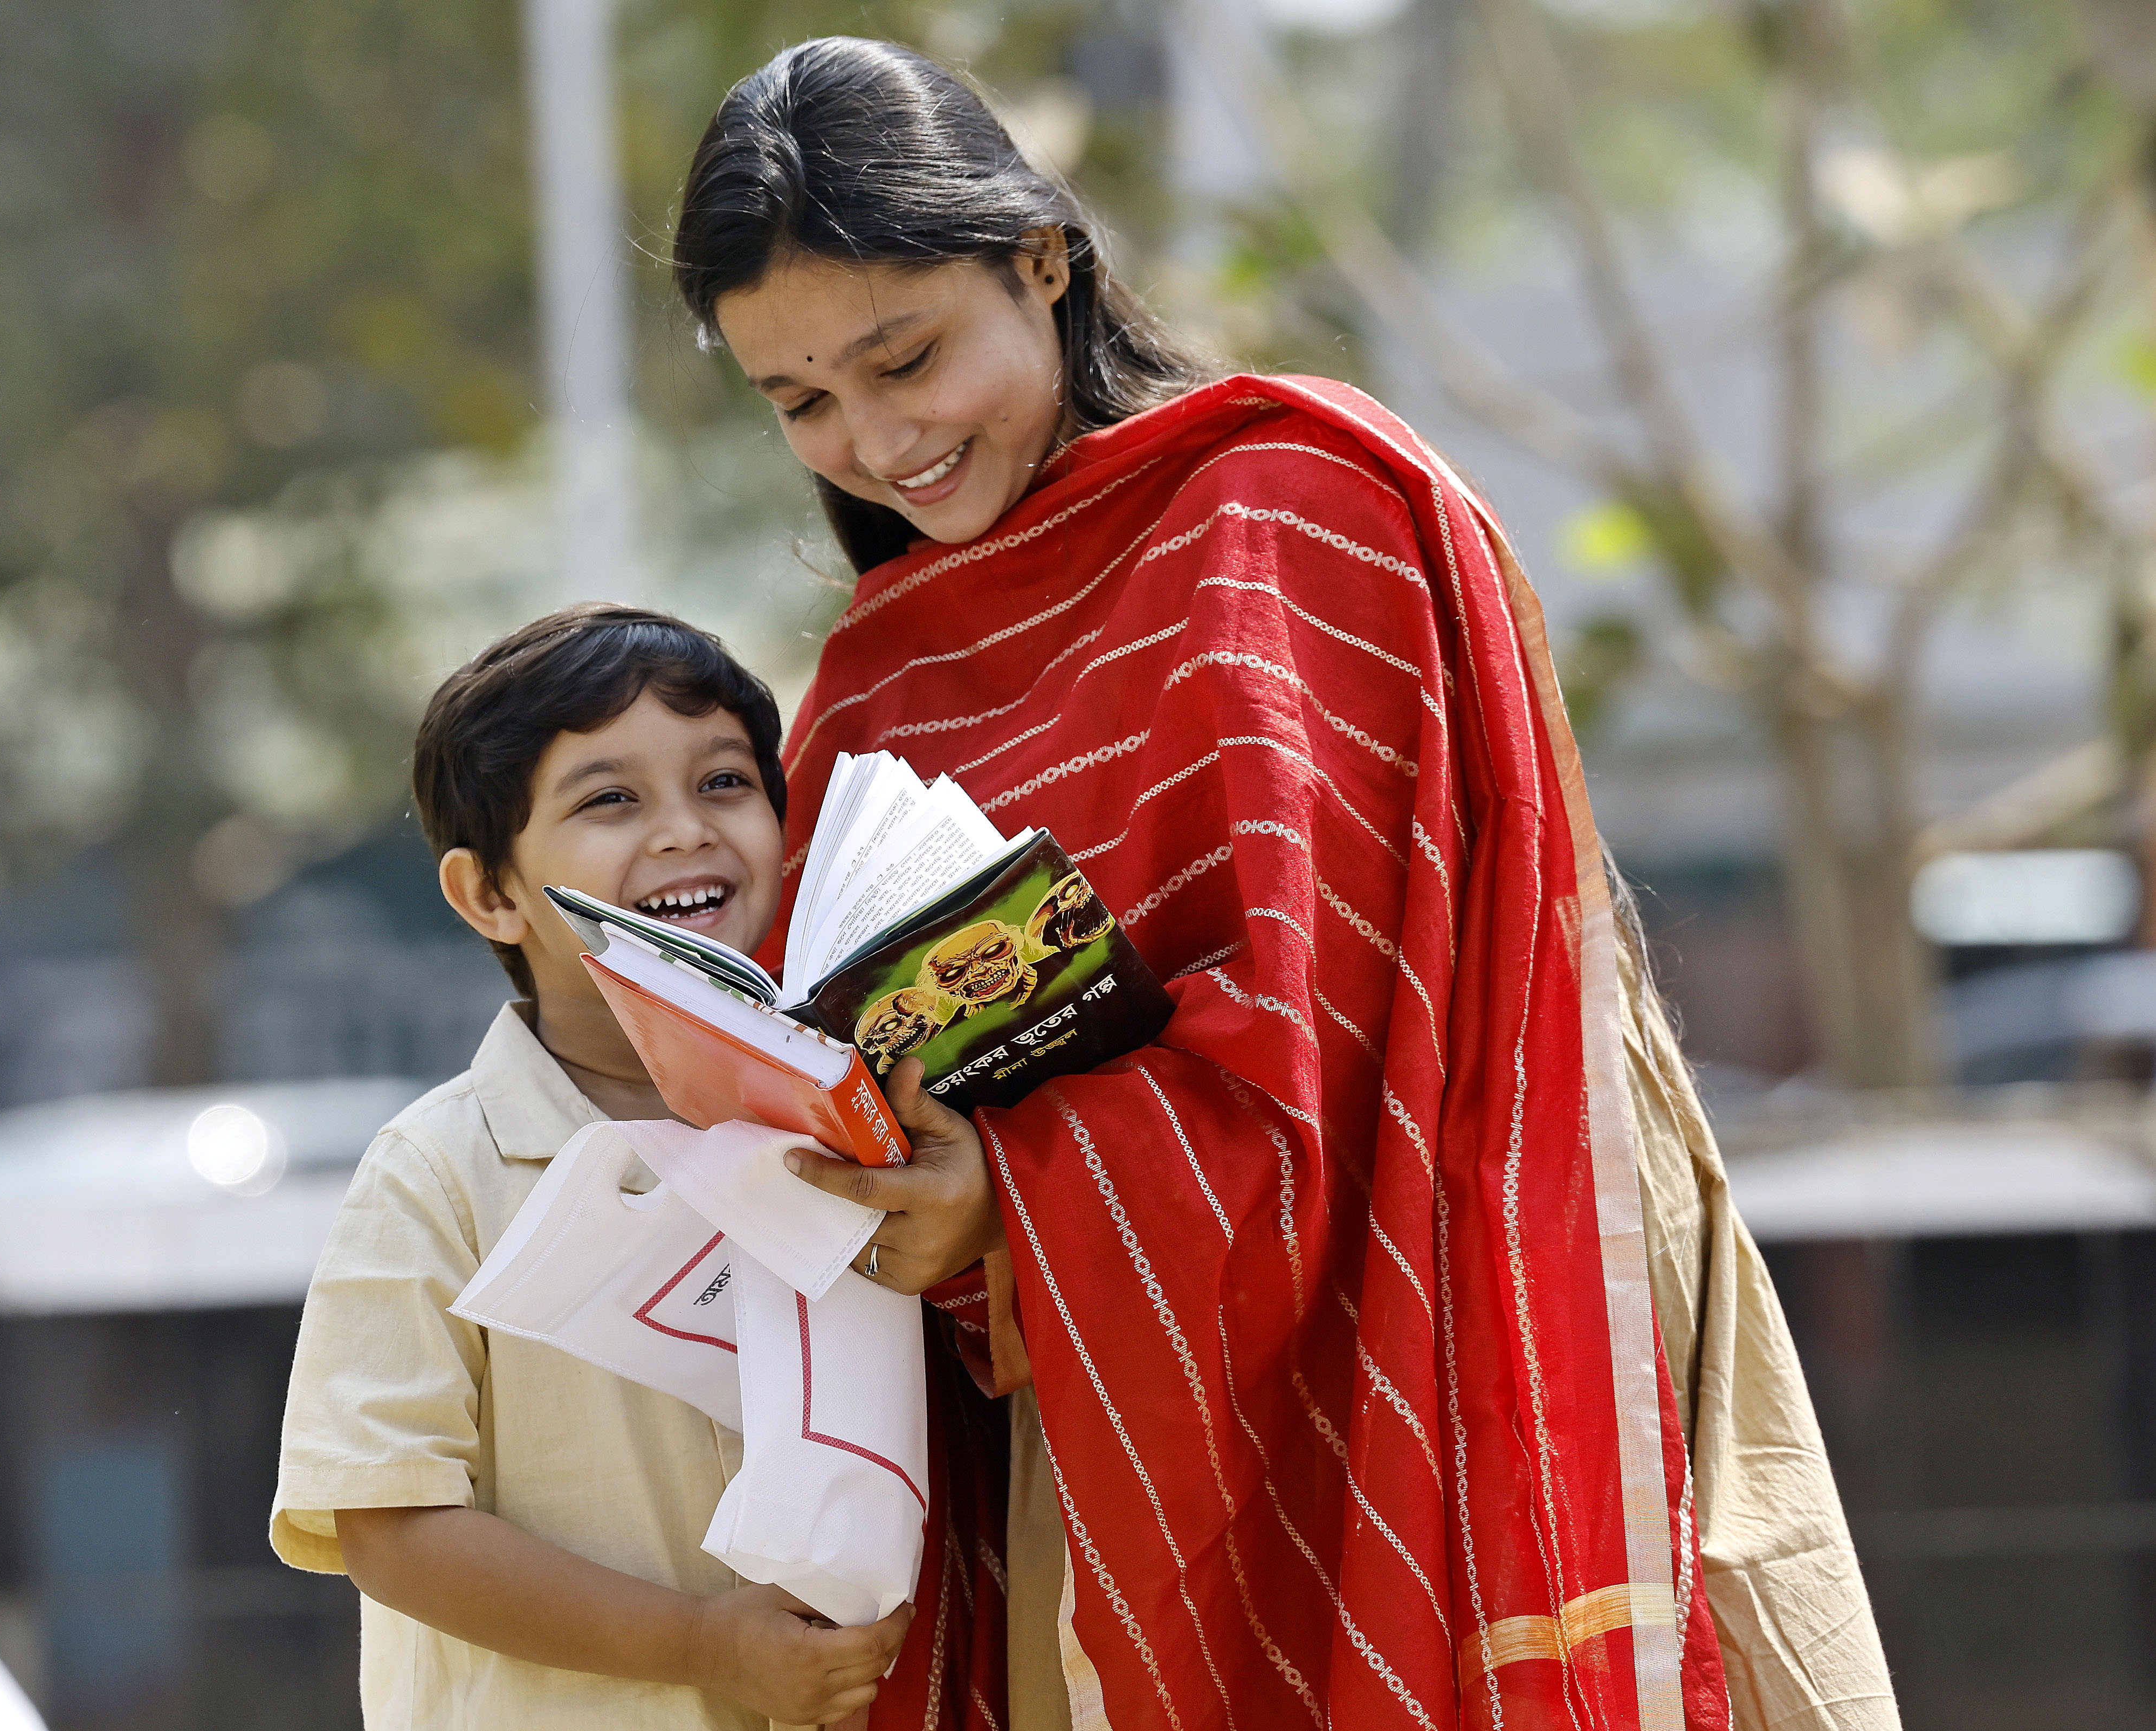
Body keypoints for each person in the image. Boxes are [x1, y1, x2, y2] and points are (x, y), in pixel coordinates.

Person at [669, 38, 1896, 1731]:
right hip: (1080, 1435)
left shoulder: (1287, 517)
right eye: (800, 402)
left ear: (1041, 256)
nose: (874, 441)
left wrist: (1008, 1198)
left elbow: (1333, 1047)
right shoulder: (879, 681)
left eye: (905, 357)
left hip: (1421, 1346)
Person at [268, 605, 916, 1728]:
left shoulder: (856, 1125)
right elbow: (386, 1526)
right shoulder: (436, 1173)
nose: (683, 834)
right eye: (609, 800)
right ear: (489, 895)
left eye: (722, 783)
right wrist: (700, 1645)